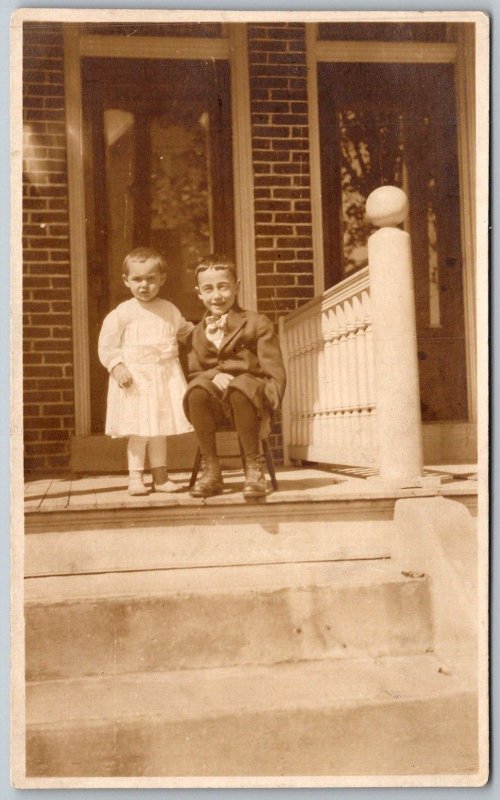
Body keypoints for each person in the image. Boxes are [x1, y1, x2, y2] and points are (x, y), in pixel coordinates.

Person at [184, 254, 286, 499]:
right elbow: (195, 372)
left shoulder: (256, 322)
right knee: (197, 390)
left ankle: (253, 469)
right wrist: (213, 376)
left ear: (237, 287)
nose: (216, 295)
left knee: (241, 387)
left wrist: (269, 412)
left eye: (223, 287)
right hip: (217, 407)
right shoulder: (198, 332)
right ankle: (212, 471)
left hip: (251, 402)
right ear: (199, 293)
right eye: (208, 289)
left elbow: (275, 373)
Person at [98, 247, 193, 496]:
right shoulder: (123, 313)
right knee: (139, 430)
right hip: (135, 379)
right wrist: (117, 366)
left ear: (162, 279)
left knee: (159, 429)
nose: (144, 285)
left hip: (163, 375)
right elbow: (107, 346)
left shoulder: (169, 309)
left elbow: (185, 332)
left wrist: (208, 330)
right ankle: (136, 477)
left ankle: (160, 477)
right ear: (126, 280)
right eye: (138, 279)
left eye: (151, 279)